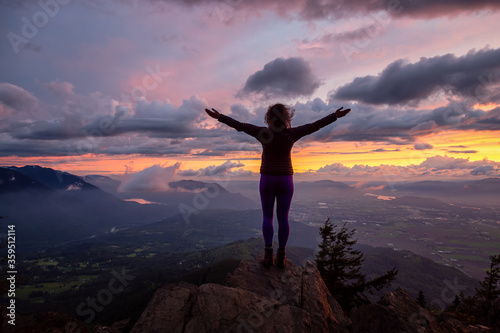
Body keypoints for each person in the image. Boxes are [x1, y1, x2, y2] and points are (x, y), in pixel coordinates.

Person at [204, 103, 351, 269]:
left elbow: (241, 126)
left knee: (268, 217)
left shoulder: (263, 133)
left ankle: (268, 256)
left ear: (269, 118)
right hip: (286, 180)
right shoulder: (292, 134)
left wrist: (220, 117)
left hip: (267, 179)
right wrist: (334, 116)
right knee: (283, 219)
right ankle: (281, 257)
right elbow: (314, 126)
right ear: (286, 118)